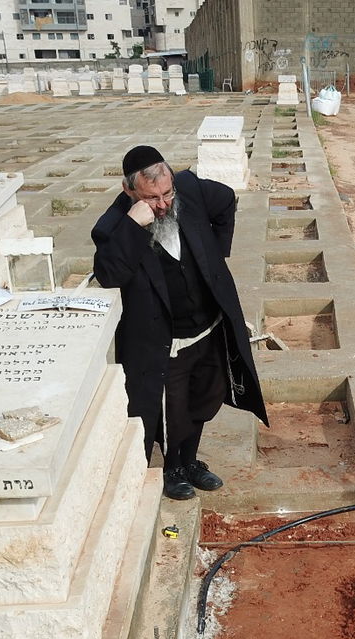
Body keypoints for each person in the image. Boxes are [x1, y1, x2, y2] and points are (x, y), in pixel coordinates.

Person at [91, 144, 267, 500]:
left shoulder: (190, 189)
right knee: (172, 410)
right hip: (165, 340)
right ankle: (172, 468)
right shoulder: (113, 226)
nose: (163, 204)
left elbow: (227, 200)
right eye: (151, 197)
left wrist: (215, 255)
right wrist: (132, 226)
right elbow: (108, 273)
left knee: (206, 397)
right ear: (129, 191)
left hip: (209, 326)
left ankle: (189, 462)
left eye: (166, 193)